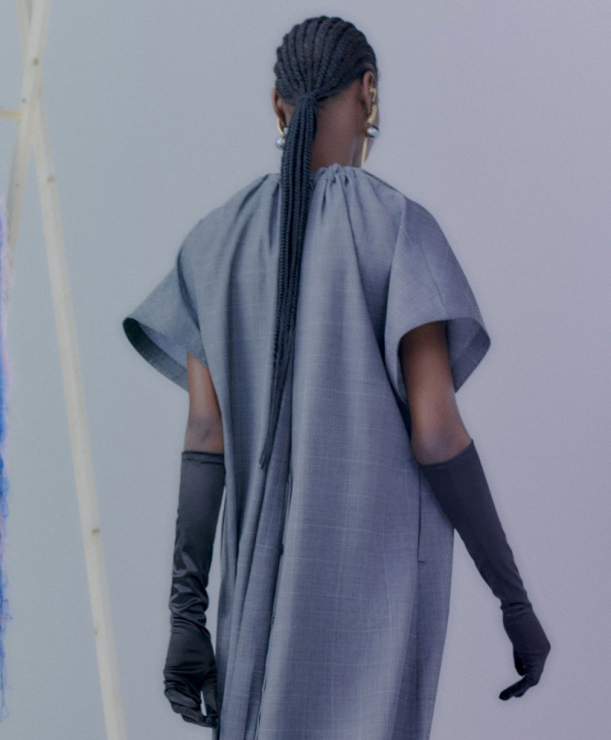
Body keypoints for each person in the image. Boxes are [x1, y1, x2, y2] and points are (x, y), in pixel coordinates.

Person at [122, 15, 551, 739]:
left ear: (278, 105)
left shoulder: (213, 244)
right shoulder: (399, 229)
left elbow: (205, 434)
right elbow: (437, 433)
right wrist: (513, 600)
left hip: (257, 614)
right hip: (372, 608)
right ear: (368, 91)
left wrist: (187, 621)